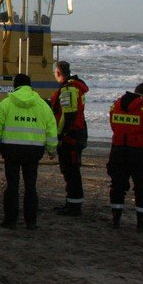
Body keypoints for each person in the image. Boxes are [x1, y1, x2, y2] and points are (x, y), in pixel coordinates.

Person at [0, 74, 58, 230]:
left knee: (12, 185)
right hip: (34, 150)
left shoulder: (5, 104)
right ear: (30, 86)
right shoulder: (42, 105)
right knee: (31, 186)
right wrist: (51, 149)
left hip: (11, 149)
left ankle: (10, 221)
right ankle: (31, 222)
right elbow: (51, 128)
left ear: (14, 86)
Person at [107, 82, 143, 232]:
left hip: (118, 151)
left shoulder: (115, 106)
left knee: (118, 185)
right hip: (140, 153)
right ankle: (142, 223)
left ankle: (115, 219)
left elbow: (114, 125)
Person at [50, 61, 90, 216]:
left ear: (58, 72)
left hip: (71, 136)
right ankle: (72, 202)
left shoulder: (68, 90)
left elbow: (68, 115)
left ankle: (74, 205)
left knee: (70, 170)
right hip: (77, 133)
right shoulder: (74, 88)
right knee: (70, 170)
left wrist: (60, 135)